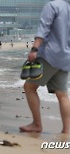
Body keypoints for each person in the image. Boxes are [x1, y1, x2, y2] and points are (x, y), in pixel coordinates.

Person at [19, 0, 70, 134]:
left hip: (50, 54)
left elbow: (43, 28)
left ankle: (37, 124)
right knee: (62, 95)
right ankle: (66, 131)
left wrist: (34, 49)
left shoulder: (52, 6)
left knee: (29, 87)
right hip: (66, 57)